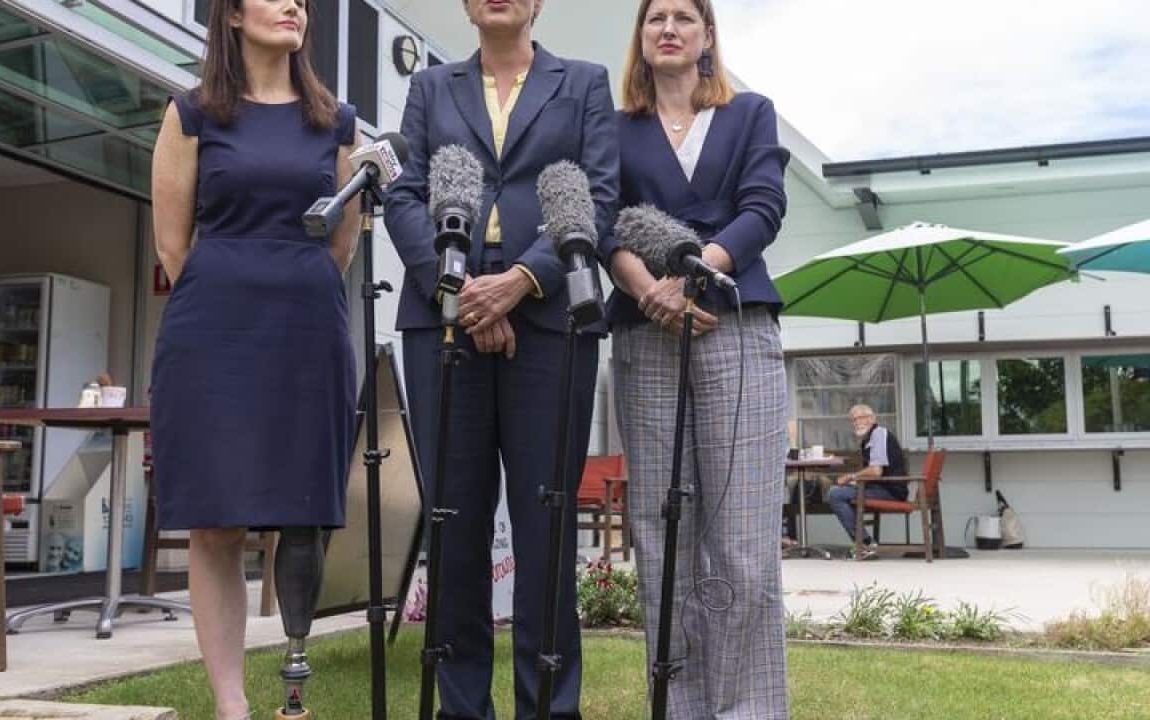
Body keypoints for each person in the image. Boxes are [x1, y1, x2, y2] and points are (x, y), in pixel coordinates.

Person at [384, 0, 618, 716]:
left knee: (546, 525)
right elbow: (403, 193)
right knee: (454, 526)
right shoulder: (430, 87)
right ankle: (460, 708)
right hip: (443, 321)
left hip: (549, 322)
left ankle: (549, 706)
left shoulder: (583, 82)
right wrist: (458, 294)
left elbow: (601, 197)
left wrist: (518, 282)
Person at [148, 0, 361, 717]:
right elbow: (173, 247)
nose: (295, 5)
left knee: (298, 510)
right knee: (215, 521)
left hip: (307, 330)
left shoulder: (337, 123)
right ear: (232, 16)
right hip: (214, 333)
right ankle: (232, 704)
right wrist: (233, 290)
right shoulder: (191, 114)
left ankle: (291, 686)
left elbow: (342, 245)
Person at [603, 0, 791, 717]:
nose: (670, 27)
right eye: (656, 18)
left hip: (735, 326)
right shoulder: (616, 130)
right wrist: (648, 287)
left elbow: (764, 205)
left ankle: (747, 709)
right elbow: (601, 215)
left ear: (708, 34)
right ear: (642, 39)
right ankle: (679, 707)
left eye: (685, 15)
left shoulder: (749, 114)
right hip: (646, 331)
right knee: (662, 539)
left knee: (742, 546)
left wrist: (698, 273)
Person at [825, 404, 909, 561]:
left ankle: (865, 544)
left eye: (861, 418)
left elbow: (876, 471)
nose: (857, 422)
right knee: (840, 492)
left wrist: (851, 477)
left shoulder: (878, 434)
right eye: (853, 420)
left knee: (835, 494)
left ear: (872, 419)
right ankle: (864, 543)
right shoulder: (868, 439)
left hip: (891, 491)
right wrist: (855, 483)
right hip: (881, 488)